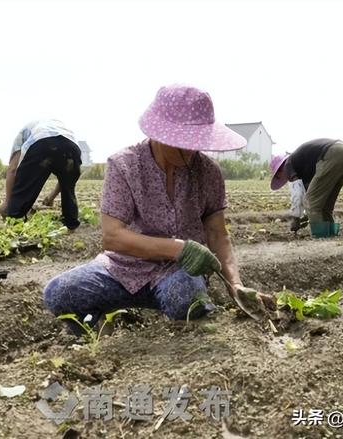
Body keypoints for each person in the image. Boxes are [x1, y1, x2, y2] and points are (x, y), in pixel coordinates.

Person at [43, 84, 270, 332]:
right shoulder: (125, 165)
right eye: (184, 142)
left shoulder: (209, 173)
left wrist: (234, 284)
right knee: (59, 293)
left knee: (188, 302)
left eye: (197, 142)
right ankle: (100, 324)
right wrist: (178, 248)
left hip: (178, 273)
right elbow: (113, 237)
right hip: (123, 269)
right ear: (160, 136)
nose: (192, 151)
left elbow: (217, 233)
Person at [0, 119, 82, 230]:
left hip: (43, 144)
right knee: (69, 186)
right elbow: (65, 179)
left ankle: (15, 220)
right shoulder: (61, 127)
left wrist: (8, 203)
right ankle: (70, 223)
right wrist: (51, 197)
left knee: (24, 188)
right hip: (72, 147)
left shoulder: (23, 132)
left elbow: (13, 169)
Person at [269, 138, 343, 238]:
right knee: (325, 204)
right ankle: (331, 235)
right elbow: (314, 193)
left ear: (279, 171)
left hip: (333, 154)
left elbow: (298, 195)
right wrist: (308, 215)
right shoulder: (303, 164)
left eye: (278, 176)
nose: (285, 180)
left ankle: (321, 236)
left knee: (311, 202)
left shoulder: (288, 165)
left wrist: (296, 217)